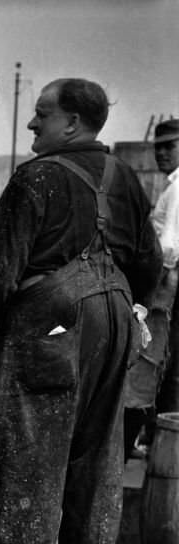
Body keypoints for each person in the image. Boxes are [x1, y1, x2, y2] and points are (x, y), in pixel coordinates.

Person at [0, 78, 162, 544]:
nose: (33, 123)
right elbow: (145, 258)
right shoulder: (125, 176)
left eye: (41, 114)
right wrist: (136, 308)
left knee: (28, 439)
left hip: (54, 317)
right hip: (118, 314)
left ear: (72, 123)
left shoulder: (37, 178)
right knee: (98, 441)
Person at [124, 118, 179, 454]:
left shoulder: (177, 188)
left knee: (156, 360)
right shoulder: (171, 185)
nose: (161, 153)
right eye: (158, 147)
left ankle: (155, 442)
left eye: (170, 146)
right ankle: (158, 441)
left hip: (169, 285)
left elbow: (170, 248)